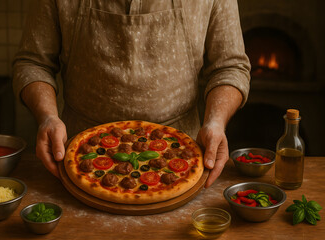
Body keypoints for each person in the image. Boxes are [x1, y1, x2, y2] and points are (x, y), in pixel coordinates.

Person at [13, 0, 250, 188]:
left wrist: (216, 122)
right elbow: (33, 64)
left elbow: (229, 67)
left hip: (181, 156)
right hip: (80, 152)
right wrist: (47, 117)